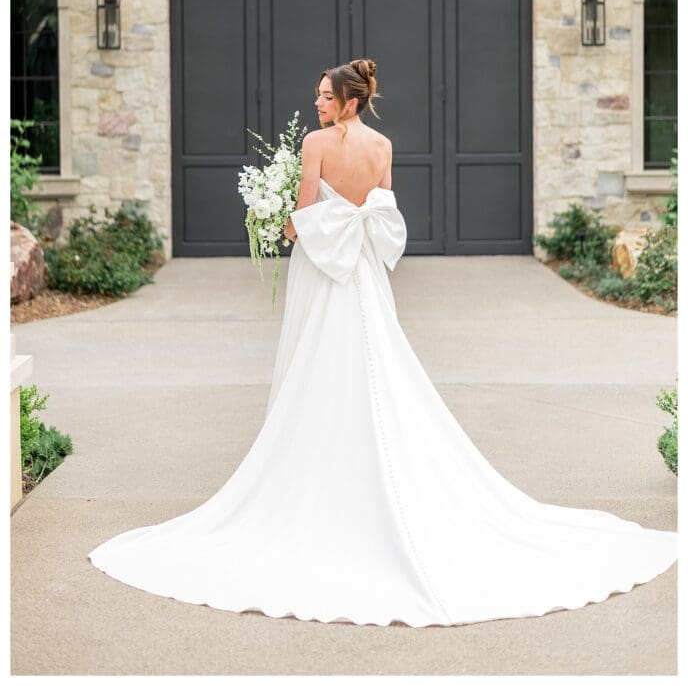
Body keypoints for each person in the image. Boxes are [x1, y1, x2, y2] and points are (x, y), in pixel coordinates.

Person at [88, 58, 677, 628]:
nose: (315, 103)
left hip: (324, 270)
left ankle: (318, 474)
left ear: (349, 101)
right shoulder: (384, 147)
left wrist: (276, 224)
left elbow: (304, 210)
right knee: (376, 361)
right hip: (364, 272)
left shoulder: (316, 145)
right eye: (316, 94)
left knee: (317, 362)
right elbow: (380, 209)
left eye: (324, 96)